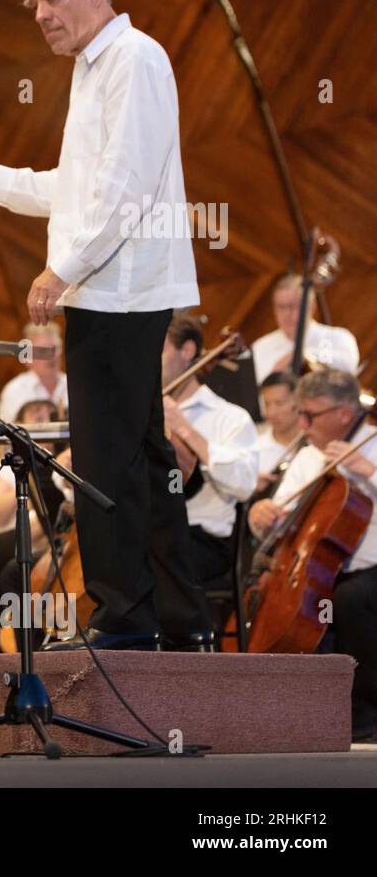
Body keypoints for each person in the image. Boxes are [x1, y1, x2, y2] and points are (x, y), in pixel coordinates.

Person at [0, 0, 208, 650]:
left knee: (107, 460)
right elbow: (74, 189)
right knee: (142, 456)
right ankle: (178, 617)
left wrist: (62, 270)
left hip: (117, 290)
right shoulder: (94, 69)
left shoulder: (133, 59)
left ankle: (126, 622)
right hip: (113, 289)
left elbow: (124, 190)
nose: (42, 16)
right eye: (33, 7)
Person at [248, 370, 377, 742]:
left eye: (311, 415)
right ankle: (299, 716)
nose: (302, 424)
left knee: (350, 599)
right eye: (300, 414)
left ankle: (365, 717)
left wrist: (367, 471)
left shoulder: (371, 446)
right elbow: (282, 525)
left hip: (370, 570)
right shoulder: (308, 457)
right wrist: (264, 515)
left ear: (344, 412)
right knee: (289, 597)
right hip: (319, 567)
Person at [160, 314, 258, 604]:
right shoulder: (144, 413)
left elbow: (244, 484)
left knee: (146, 563)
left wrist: (184, 429)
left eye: (158, 350)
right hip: (153, 532)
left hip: (204, 539)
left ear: (187, 351)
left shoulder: (230, 417)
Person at [250, 274, 359, 384]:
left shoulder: (338, 337)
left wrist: (303, 356)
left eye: (293, 306)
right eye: (281, 307)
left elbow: (348, 367)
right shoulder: (260, 347)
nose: (287, 314)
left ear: (311, 307)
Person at [0, 323, 68, 422]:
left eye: (54, 349)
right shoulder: (14, 390)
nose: (50, 356)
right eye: (42, 350)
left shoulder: (76, 385)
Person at [253, 371, 302, 496]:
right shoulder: (255, 449)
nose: (271, 412)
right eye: (266, 404)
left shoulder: (315, 443)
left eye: (279, 403)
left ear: (298, 401)